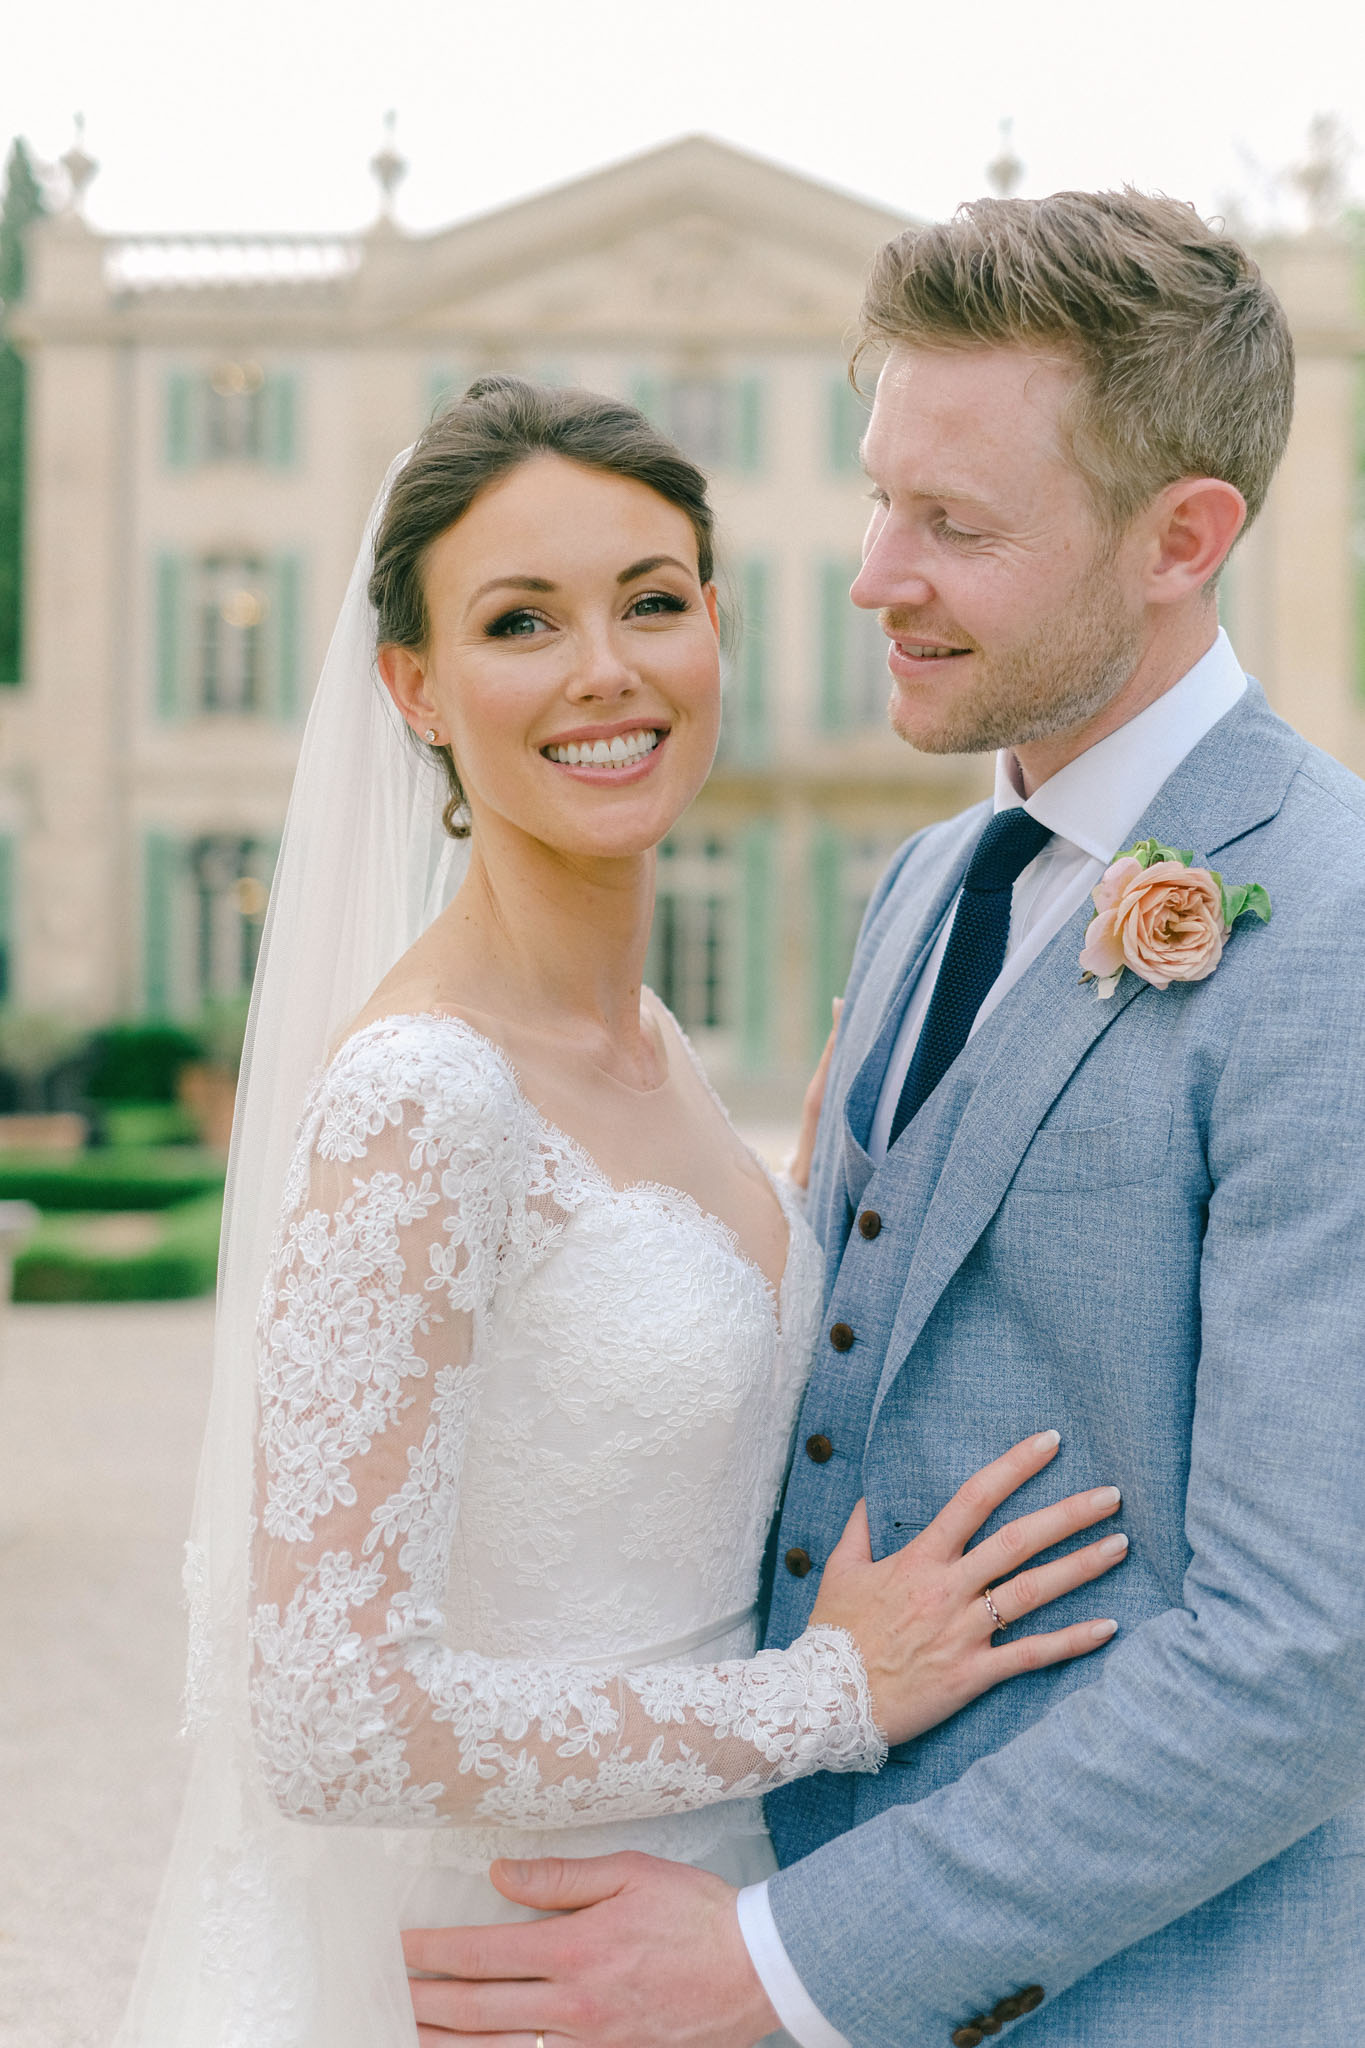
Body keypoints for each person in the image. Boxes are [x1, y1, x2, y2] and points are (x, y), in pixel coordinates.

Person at [399, 197, 1365, 2046]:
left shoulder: (1325, 928)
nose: (869, 576)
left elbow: (1304, 1660)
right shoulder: (928, 883)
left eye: (956, 526)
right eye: (876, 496)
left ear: (1184, 539)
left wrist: (781, 1963)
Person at [114, 377, 1126, 2048]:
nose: (605, 669)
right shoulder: (420, 1100)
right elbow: (326, 1720)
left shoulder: (647, 1047)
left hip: (739, 1940)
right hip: (524, 1971)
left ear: (713, 628)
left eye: (650, 602)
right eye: (521, 621)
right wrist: (826, 1698)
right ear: (414, 687)